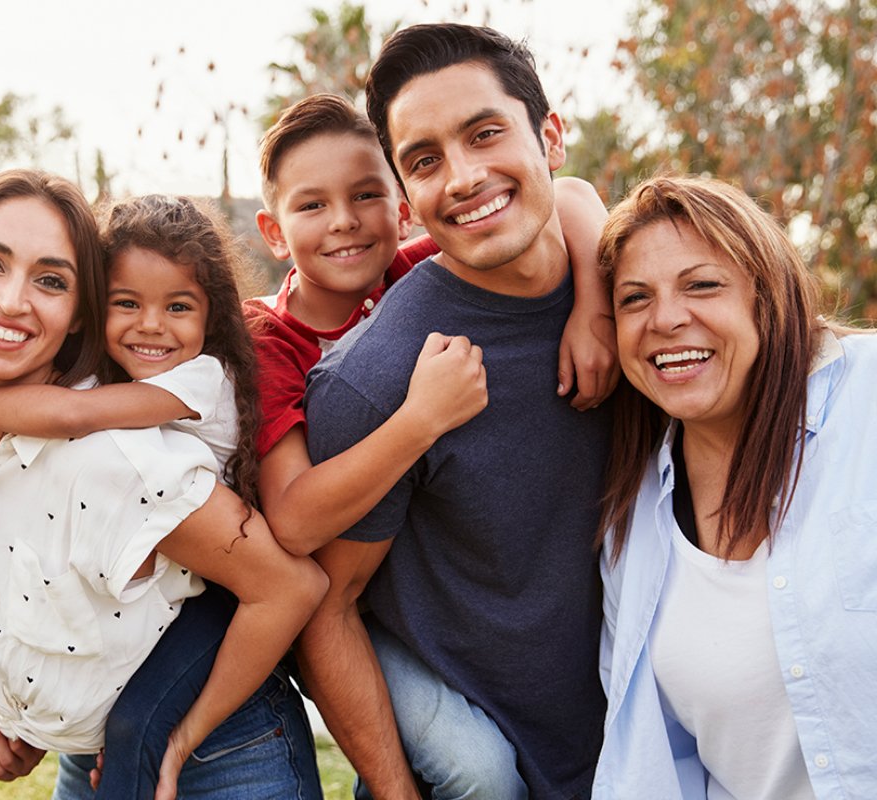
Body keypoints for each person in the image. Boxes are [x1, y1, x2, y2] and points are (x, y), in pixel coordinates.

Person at [0, 174, 327, 800]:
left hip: (224, 745)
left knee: (139, 729)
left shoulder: (126, 448)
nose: (12, 300)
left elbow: (74, 420)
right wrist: (16, 722)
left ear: (75, 313)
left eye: (50, 279)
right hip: (86, 738)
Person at [301, 24, 615, 799]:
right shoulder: (378, 383)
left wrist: (602, 305)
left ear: (550, 137)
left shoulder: (635, 300)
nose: (465, 177)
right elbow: (327, 609)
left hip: (639, 752)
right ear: (407, 194)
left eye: (485, 134)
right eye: (425, 160)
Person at [594, 175, 877, 798]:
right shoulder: (630, 532)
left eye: (702, 285)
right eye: (634, 299)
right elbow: (664, 765)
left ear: (765, 296)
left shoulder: (869, 398)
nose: (667, 319)